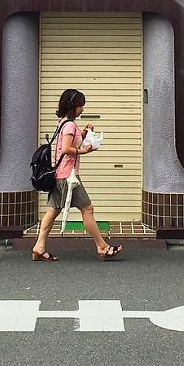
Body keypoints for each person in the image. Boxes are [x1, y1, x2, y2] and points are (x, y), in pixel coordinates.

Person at [31, 88, 123, 262]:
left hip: (61, 176)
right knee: (87, 209)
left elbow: (69, 140)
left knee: (52, 212)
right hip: (68, 177)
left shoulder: (64, 123)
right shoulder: (70, 125)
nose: (83, 109)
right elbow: (66, 149)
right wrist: (84, 151)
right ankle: (102, 247)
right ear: (73, 106)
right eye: (81, 106)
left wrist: (84, 133)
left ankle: (39, 247)